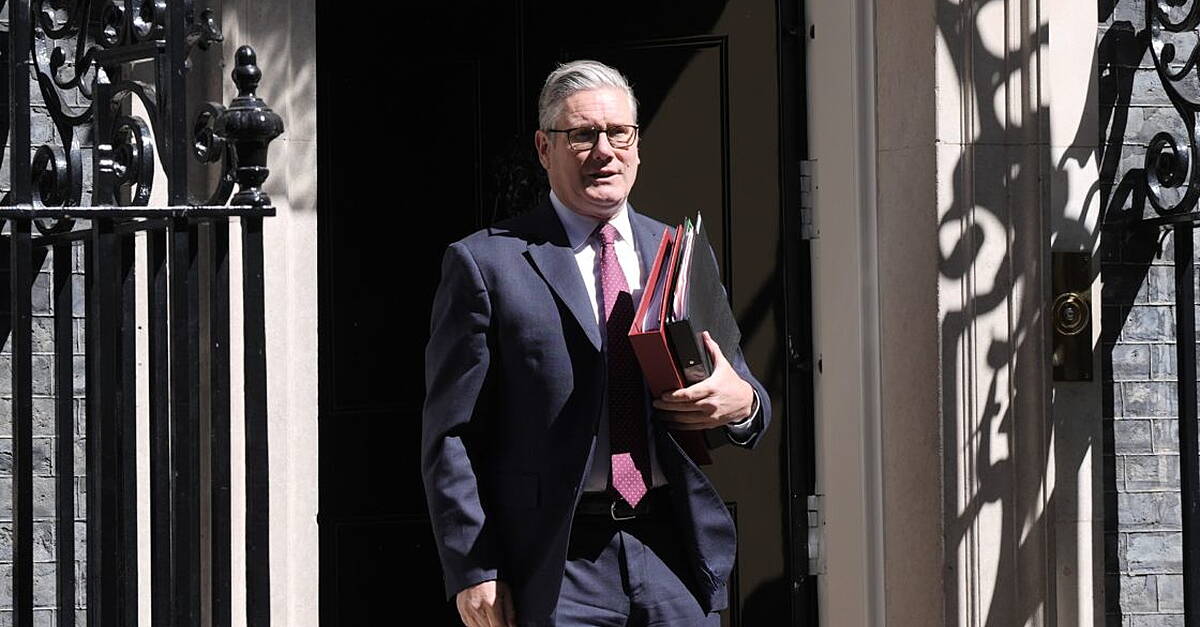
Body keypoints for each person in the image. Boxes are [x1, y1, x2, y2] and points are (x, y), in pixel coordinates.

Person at [422, 59, 771, 627]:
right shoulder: (486, 264)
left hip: (672, 551)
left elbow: (742, 386)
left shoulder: (676, 251)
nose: (604, 151)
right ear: (544, 148)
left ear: (637, 145)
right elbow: (450, 434)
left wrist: (743, 405)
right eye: (582, 134)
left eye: (619, 133)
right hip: (557, 562)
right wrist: (473, 566)